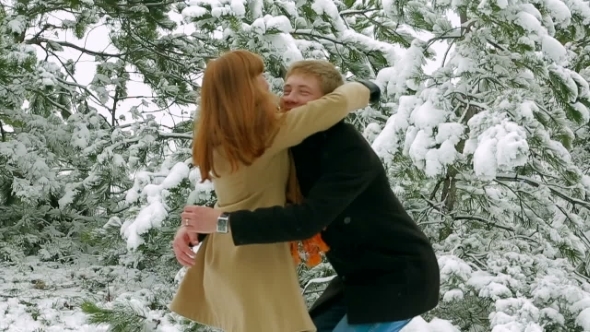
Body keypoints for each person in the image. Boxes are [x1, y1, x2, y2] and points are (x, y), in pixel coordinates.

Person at [178, 60, 440, 332]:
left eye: (304, 92)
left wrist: (220, 222)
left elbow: (306, 220)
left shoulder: (348, 151)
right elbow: (254, 193)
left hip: (399, 277)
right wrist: (197, 227)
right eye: (288, 89)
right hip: (355, 279)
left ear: (326, 105)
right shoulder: (288, 141)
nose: (290, 98)